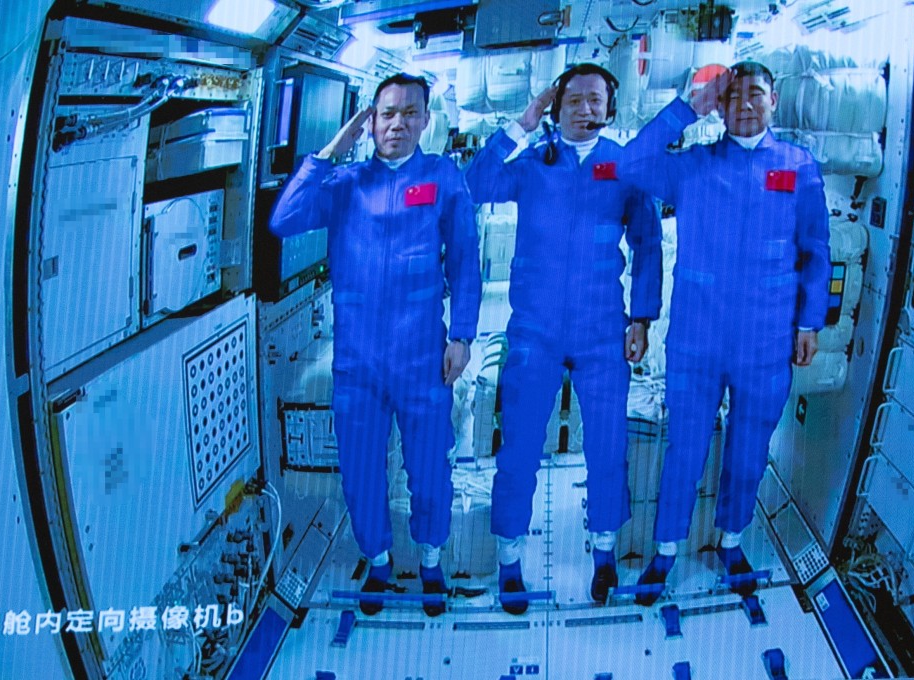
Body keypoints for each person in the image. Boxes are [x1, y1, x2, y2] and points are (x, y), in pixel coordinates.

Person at [270, 73, 481, 617]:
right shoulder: (344, 185)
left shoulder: (441, 178)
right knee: (362, 471)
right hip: (358, 365)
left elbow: (464, 261)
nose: (398, 123)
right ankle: (380, 563)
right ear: (370, 120)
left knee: (430, 468)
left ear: (426, 121)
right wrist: (334, 149)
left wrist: (462, 335)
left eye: (411, 113)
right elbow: (283, 219)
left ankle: (431, 562)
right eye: (387, 113)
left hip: (422, 359)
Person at [464, 63, 667, 613]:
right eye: (572, 99)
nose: (584, 108)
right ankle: (510, 560)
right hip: (534, 331)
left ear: (609, 106)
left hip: (603, 329)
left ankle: (604, 551)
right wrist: (525, 120)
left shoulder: (626, 168)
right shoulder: (533, 163)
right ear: (557, 107)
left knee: (607, 447)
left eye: (595, 99)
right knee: (520, 449)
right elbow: (475, 184)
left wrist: (642, 319)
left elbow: (649, 244)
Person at [630, 61, 830, 605]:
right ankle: (666, 551)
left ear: (775, 99)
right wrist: (685, 108)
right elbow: (631, 164)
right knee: (686, 449)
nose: (745, 104)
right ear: (718, 105)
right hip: (698, 339)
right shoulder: (691, 166)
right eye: (733, 95)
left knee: (748, 451)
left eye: (756, 94)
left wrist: (810, 321)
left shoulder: (798, 168)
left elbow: (816, 253)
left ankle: (731, 540)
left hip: (766, 342)